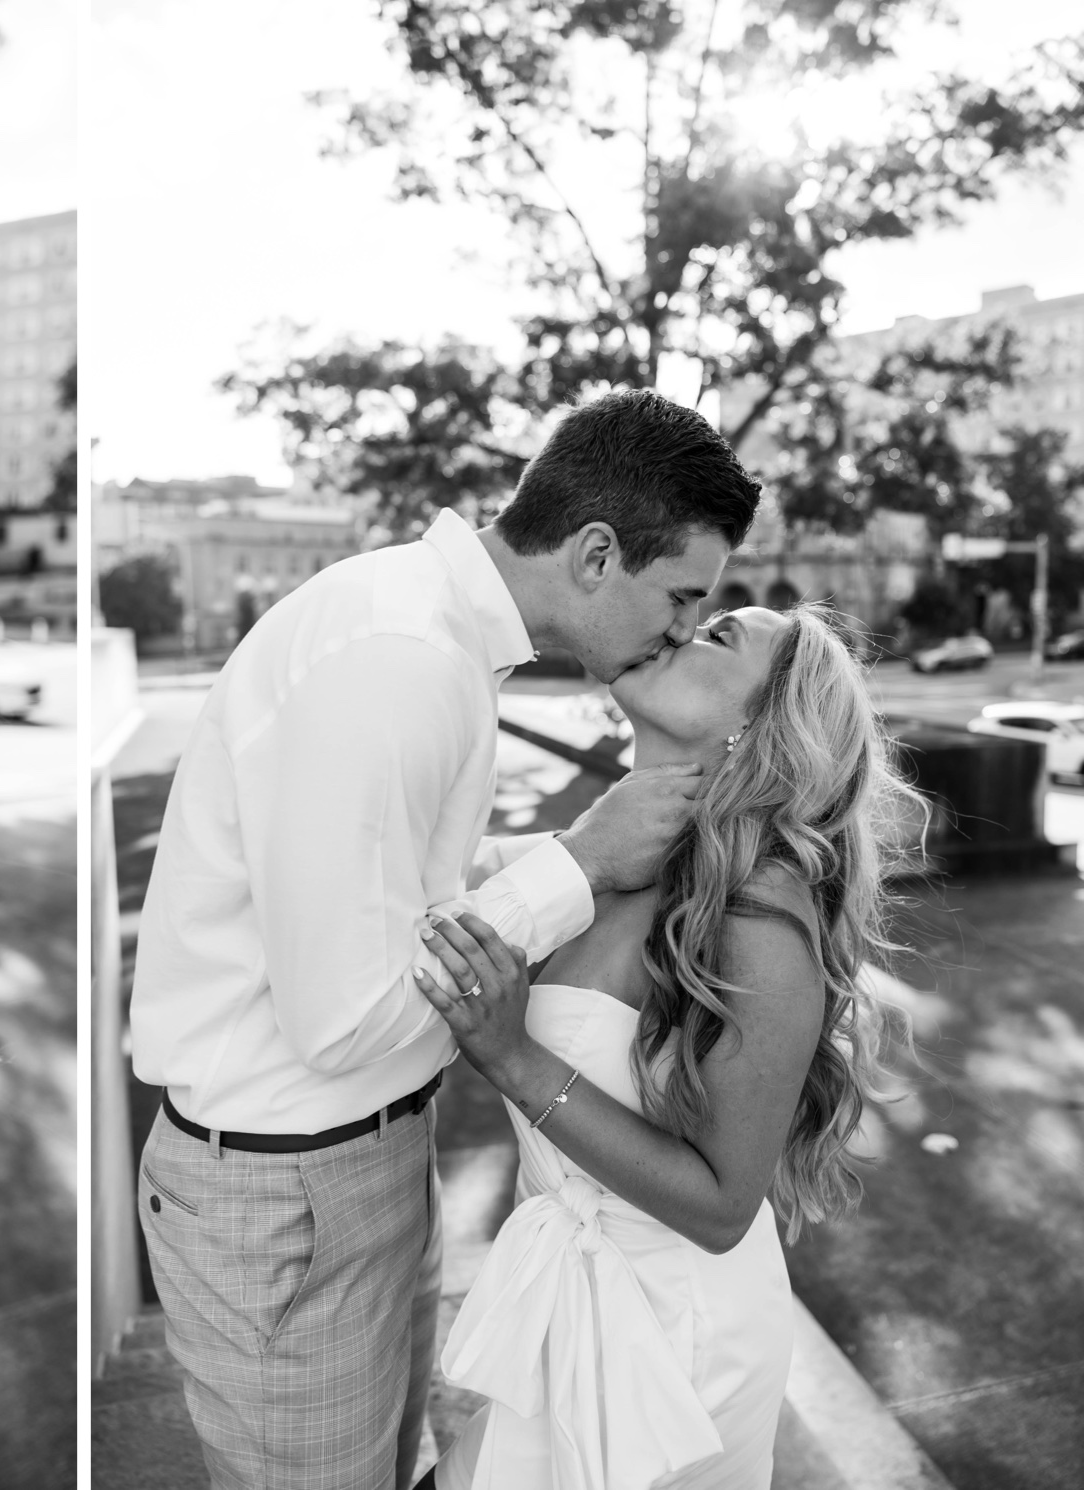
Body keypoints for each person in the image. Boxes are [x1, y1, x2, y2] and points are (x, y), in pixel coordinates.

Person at [129, 388, 763, 1490]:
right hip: (284, 1192)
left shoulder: (436, 637)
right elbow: (342, 1020)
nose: (675, 629)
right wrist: (573, 863)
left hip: (347, 1165)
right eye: (678, 596)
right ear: (596, 552)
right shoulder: (398, 657)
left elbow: (394, 899)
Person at [418, 602, 915, 1490]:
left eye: (719, 635)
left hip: (679, 1344)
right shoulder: (589, 855)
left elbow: (725, 1207)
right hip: (570, 1302)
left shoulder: (758, 911)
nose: (678, 629)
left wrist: (516, 1062)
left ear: (760, 725)